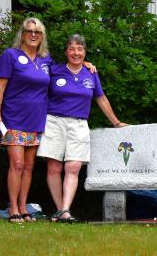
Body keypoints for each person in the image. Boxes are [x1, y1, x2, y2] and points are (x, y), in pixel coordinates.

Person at [37, 34, 127, 223]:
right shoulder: (55, 69)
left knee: (73, 166)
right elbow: (36, 74)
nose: (76, 53)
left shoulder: (91, 73)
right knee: (54, 166)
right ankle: (61, 210)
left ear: (85, 52)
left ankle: (65, 210)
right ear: (66, 52)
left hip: (79, 124)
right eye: (72, 49)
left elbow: (100, 98)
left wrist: (116, 122)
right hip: (54, 121)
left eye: (80, 49)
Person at [0, 17, 52, 223]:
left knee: (28, 166)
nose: (33, 35)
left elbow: (66, 72)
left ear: (42, 36)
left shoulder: (46, 60)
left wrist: (86, 63)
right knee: (16, 164)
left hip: (36, 120)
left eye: (37, 32)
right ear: (22, 34)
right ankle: (13, 208)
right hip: (13, 118)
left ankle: (24, 207)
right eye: (29, 31)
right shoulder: (11, 55)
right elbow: (0, 86)